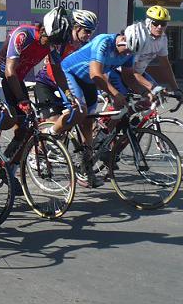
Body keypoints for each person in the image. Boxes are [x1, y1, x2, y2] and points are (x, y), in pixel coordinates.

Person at [57, 23, 150, 187]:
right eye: (128, 49)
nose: (128, 54)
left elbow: (129, 78)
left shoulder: (129, 51)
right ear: (122, 39)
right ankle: (49, 133)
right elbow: (95, 74)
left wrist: (145, 93)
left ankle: (85, 168)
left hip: (88, 81)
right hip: (70, 74)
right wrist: (115, 94)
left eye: (132, 52)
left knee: (88, 124)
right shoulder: (104, 42)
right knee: (80, 110)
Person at [0, 7, 76, 159]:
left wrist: (68, 94)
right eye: (49, 40)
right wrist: (22, 100)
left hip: (16, 80)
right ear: (43, 29)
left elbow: (58, 72)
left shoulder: (52, 43)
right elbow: (9, 71)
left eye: (55, 43)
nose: (49, 45)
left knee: (24, 130)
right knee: (11, 117)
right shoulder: (23, 35)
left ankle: (6, 166)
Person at [107, 6, 183, 102]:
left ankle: (134, 116)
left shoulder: (163, 39)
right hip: (119, 73)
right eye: (156, 23)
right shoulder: (140, 38)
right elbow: (131, 72)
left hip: (139, 73)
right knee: (122, 102)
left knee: (156, 99)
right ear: (148, 22)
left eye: (163, 23)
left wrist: (176, 89)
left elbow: (165, 65)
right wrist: (152, 87)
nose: (159, 27)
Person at [34, 9, 98, 122]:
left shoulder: (85, 45)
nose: (89, 35)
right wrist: (67, 90)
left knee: (86, 119)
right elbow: (53, 70)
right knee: (55, 120)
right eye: (87, 31)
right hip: (48, 83)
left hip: (68, 83)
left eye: (91, 32)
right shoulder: (62, 41)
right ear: (77, 28)